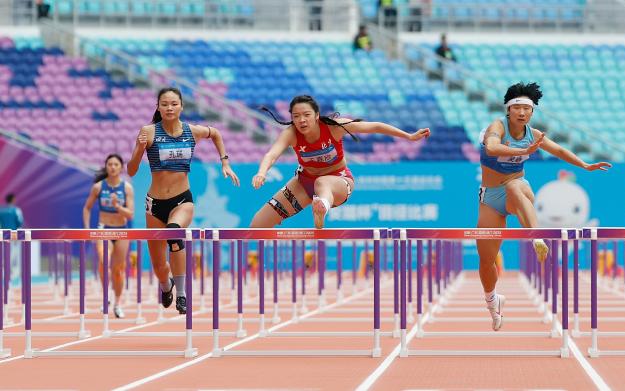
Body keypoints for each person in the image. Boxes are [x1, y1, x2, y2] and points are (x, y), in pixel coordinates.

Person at [477, 82, 611, 331]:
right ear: (508, 110)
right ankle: (493, 301)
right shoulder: (498, 126)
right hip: (490, 198)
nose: (521, 112)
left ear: (532, 112)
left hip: (518, 189)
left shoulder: (533, 133)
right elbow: (492, 147)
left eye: (526, 108)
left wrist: (585, 165)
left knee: (515, 186)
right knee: (486, 261)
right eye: (516, 107)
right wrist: (523, 149)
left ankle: (537, 238)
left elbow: (559, 149)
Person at [127, 87, 239, 314]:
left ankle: (181, 294)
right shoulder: (148, 132)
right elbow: (131, 170)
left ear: (181, 106)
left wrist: (225, 162)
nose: (169, 108)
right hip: (154, 204)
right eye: (165, 104)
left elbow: (216, 133)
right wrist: (139, 148)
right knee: (159, 265)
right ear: (158, 106)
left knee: (174, 234)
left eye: (174, 104)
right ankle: (166, 285)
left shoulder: (192, 131)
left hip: (182, 201)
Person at [250, 95, 430, 229]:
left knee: (322, 183)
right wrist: (261, 172)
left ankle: (322, 208)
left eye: (306, 115)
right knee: (256, 225)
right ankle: (254, 269)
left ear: (316, 115)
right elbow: (271, 154)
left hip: (338, 181)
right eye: (296, 116)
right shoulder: (291, 133)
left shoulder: (334, 127)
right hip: (304, 182)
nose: (301, 120)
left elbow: (374, 126)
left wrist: (408, 136)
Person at [82, 154, 134, 318]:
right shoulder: (98, 187)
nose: (112, 167)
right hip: (103, 229)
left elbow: (130, 214)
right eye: (110, 164)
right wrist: (87, 229)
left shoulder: (127, 188)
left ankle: (117, 303)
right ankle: (106, 297)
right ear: (106, 167)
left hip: (121, 229)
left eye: (116, 164)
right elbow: (87, 208)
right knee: (104, 262)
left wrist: (117, 206)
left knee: (118, 271)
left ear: (120, 168)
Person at [0, 193, 24, 281]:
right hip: (14, 235)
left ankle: (5, 272)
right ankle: (12, 273)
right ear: (13, 199)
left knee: (3, 253)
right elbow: (20, 222)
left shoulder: (1, 211)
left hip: (2, 235)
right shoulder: (16, 210)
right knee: (14, 254)